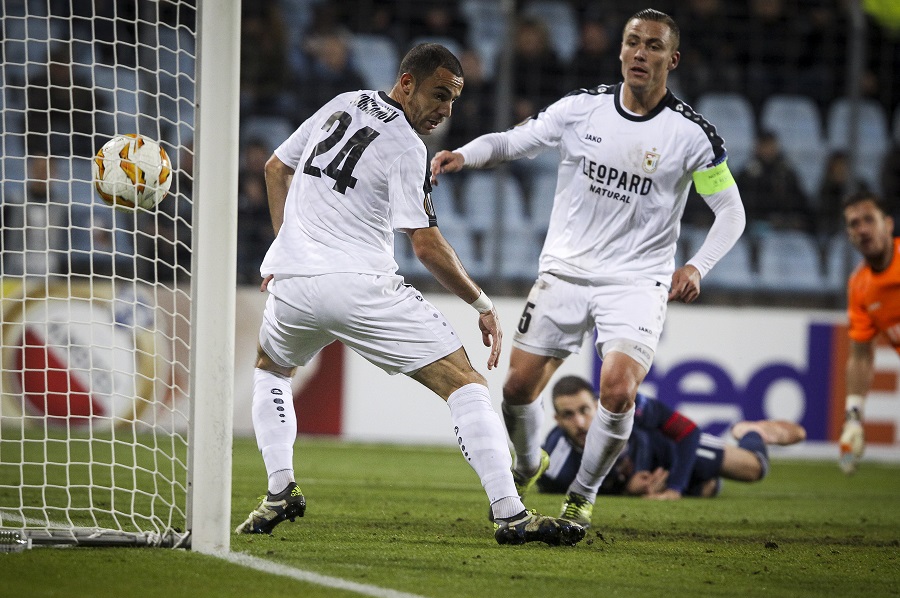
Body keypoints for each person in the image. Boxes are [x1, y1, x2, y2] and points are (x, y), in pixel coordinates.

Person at [235, 43, 585, 547]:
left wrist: (288, 248)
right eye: (439, 94)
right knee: (465, 382)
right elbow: (426, 245)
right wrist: (482, 304)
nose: (446, 110)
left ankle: (279, 489)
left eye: (453, 100)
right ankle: (510, 513)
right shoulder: (406, 146)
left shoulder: (343, 102)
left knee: (271, 369)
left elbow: (274, 168)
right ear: (406, 84)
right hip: (360, 286)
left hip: (293, 285)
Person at [430, 9, 746, 528]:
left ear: (673, 59)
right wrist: (463, 155)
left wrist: (696, 266)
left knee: (618, 391)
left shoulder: (692, 136)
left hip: (637, 281)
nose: (640, 53)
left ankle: (582, 495)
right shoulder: (582, 110)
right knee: (516, 390)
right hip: (565, 273)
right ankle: (528, 462)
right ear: (620, 50)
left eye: (653, 45)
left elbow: (731, 212)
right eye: (632, 42)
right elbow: (512, 141)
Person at [538, 376, 806, 498]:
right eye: (568, 415)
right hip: (648, 474)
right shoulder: (555, 464)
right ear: (557, 420)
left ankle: (752, 431)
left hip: (667, 447)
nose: (580, 423)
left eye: (584, 410)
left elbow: (688, 432)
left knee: (754, 469)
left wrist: (674, 489)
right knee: (708, 489)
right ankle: (702, 484)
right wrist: (628, 488)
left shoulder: (625, 405)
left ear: (597, 404)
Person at [840, 191, 900, 474]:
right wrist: (853, 419)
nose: (862, 229)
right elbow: (861, 356)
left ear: (888, 224)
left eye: (869, 220)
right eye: (854, 224)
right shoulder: (859, 286)